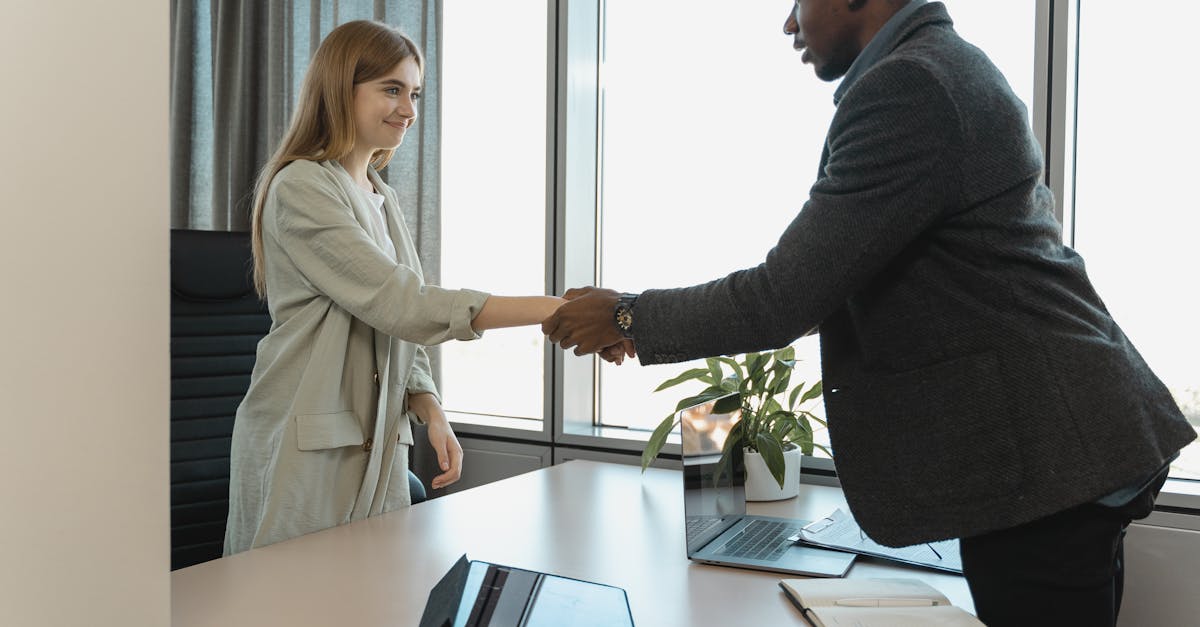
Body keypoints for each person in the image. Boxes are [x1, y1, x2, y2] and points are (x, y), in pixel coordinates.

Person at [541, 2, 1196, 625]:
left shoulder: (910, 88)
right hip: (1071, 444)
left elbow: (785, 294)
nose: (790, 21)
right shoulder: (945, 66)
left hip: (1051, 460)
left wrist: (629, 317)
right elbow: (825, 285)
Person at [224, 20, 563, 555]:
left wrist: (430, 408)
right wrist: (554, 310)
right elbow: (403, 304)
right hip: (304, 442)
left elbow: (395, 323)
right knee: (288, 600)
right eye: (392, 89)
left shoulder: (382, 197)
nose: (409, 109)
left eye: (414, 93)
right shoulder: (302, 186)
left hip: (380, 443)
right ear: (340, 88)